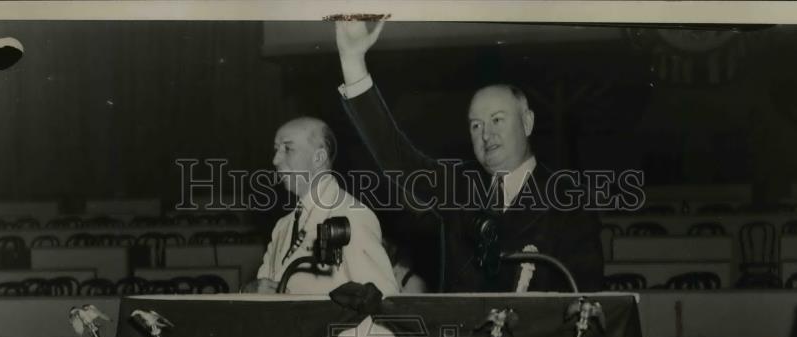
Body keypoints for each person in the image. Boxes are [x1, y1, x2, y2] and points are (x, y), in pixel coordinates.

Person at [335, 20, 604, 294]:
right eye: (476, 126)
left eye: (497, 120)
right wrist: (352, 61)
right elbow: (396, 156)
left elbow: (585, 295)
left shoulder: (571, 200)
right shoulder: (457, 184)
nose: (486, 134)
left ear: (527, 122)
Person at [249, 116, 399, 295]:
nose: (275, 160)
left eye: (287, 149)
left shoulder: (352, 217)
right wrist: (248, 290)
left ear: (319, 158)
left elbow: (382, 299)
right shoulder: (282, 226)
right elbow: (262, 292)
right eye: (276, 150)